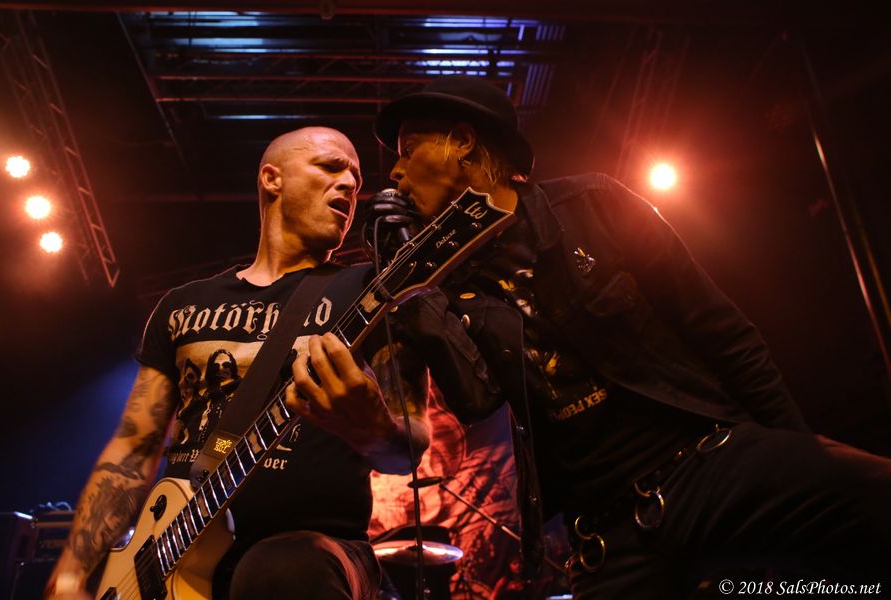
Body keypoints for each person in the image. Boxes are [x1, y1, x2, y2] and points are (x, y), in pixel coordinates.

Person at [370, 76, 891, 598]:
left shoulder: (594, 205)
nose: (394, 172)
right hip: (605, 528)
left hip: (705, 464)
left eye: (408, 150)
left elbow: (722, 332)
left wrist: (800, 457)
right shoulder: (448, 283)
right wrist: (414, 278)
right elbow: (476, 399)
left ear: (464, 142)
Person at [44, 126, 430, 600]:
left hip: (314, 553)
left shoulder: (376, 291)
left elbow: (406, 449)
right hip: (170, 556)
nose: (350, 184)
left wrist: (374, 430)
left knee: (283, 571)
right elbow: (133, 449)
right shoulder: (182, 305)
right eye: (331, 167)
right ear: (272, 179)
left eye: (356, 177)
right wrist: (71, 572)